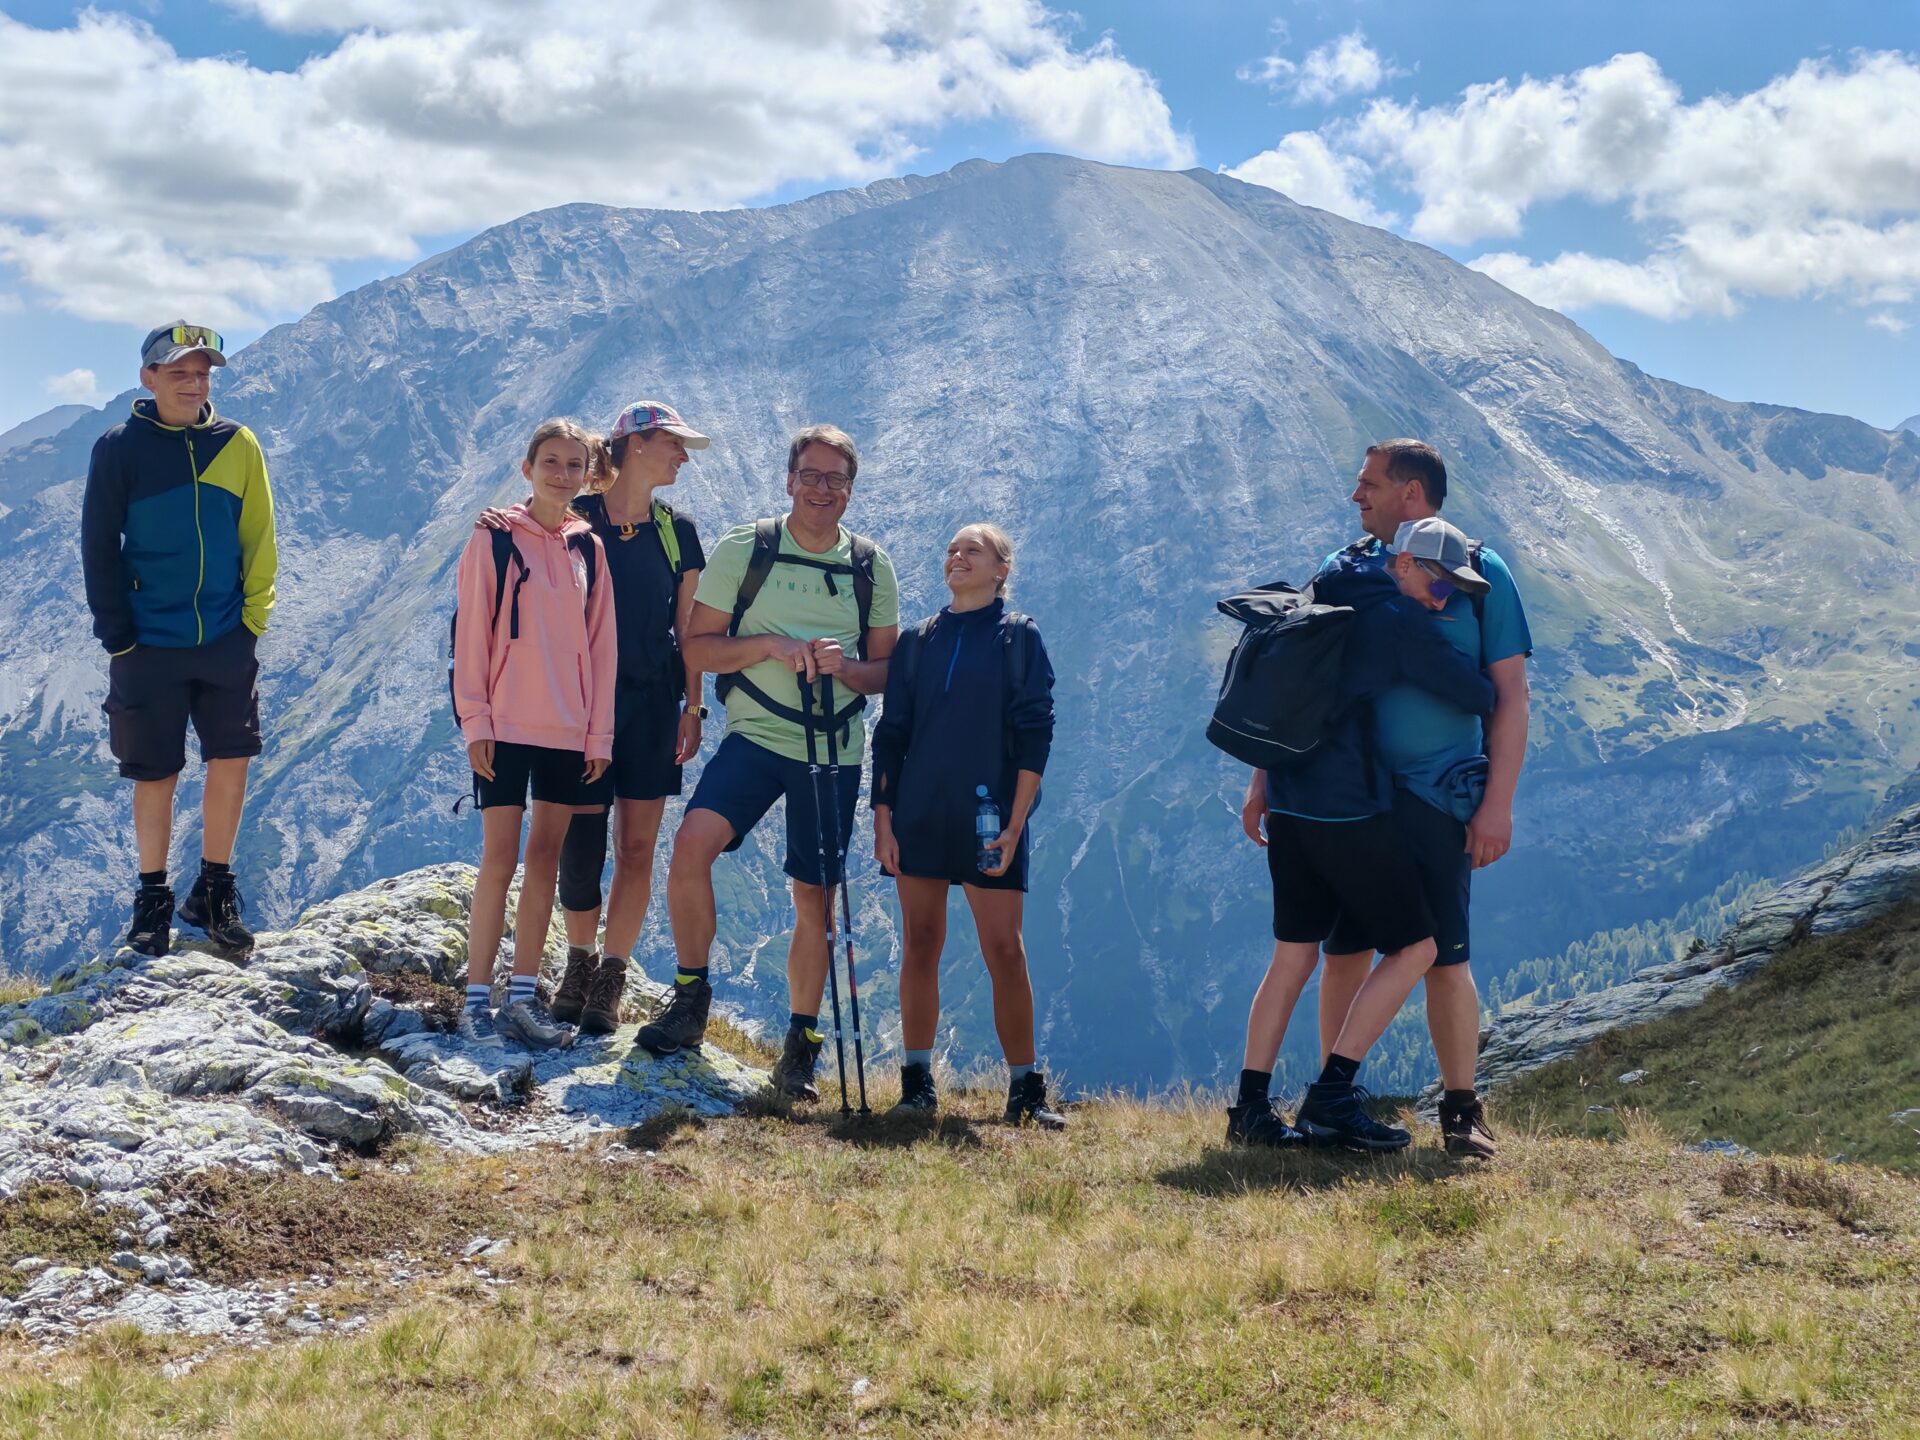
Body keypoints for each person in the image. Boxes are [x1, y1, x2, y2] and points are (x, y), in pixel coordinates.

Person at [642, 424, 899, 1104]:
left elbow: (886, 674)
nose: (822, 490)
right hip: (756, 737)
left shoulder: (871, 565)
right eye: (810, 477)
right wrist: (768, 647)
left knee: (813, 900)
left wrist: (843, 668)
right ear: (789, 481)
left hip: (834, 749)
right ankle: (691, 997)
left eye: (835, 480)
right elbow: (695, 650)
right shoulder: (746, 547)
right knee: (690, 846)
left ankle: (799, 1047)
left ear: (849, 490)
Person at [1230, 519, 1496, 1150]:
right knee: (1418, 948)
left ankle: (1249, 1109)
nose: (1445, 600)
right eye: (1441, 587)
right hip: (1348, 805)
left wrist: (1260, 786)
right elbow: (1477, 693)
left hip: (1289, 799)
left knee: (1293, 956)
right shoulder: (1398, 620)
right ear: (1404, 565)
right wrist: (1445, 643)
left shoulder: (1320, 593)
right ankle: (1332, 1096)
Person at [1310, 440, 1533, 1158]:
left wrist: (1497, 804)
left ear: (1412, 495)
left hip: (1439, 795)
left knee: (1445, 957)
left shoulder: (1480, 571)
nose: (1356, 497)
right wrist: (1265, 780)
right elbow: (1300, 682)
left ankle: (1461, 1110)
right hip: (1351, 794)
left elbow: (1510, 695)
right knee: (1344, 949)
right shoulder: (1349, 570)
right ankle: (1336, 1106)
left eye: (1368, 484)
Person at [479, 401, 708, 1039]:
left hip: (653, 703)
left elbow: (688, 631)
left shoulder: (678, 532)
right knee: (580, 852)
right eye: (675, 444)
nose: (684, 456)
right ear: (636, 445)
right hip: (581, 707)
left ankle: (610, 975)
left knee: (636, 846)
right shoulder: (579, 521)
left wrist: (693, 706)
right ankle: (578, 961)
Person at [80, 321, 277, 957]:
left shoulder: (237, 443)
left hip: (225, 634)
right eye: (178, 372)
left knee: (232, 758)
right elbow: (98, 547)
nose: (194, 383)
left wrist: (252, 622)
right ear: (148, 378)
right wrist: (118, 635)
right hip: (148, 641)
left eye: (202, 372)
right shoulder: (118, 448)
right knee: (155, 772)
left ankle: (215, 891)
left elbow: (259, 535)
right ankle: (152, 898)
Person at [871, 524, 1065, 1128]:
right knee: (920, 944)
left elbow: (1037, 730)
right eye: (951, 550)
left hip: (990, 822)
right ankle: (916, 1083)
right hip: (919, 815)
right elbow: (892, 734)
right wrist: (883, 819)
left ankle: (1025, 1091)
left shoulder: (1018, 638)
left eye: (972, 550)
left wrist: (1016, 822)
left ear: (1001, 569)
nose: (957, 557)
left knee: (1004, 948)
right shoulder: (918, 640)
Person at [451, 419, 616, 1049]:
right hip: (505, 725)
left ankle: (521, 997)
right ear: (527, 468)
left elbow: (603, 650)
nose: (562, 474)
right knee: (499, 858)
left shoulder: (588, 550)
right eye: (551, 462)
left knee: (543, 858)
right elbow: (472, 638)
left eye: (575, 465)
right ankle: (473, 1001)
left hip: (568, 729)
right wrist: (477, 723)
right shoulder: (492, 539)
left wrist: (597, 737)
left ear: (586, 476)